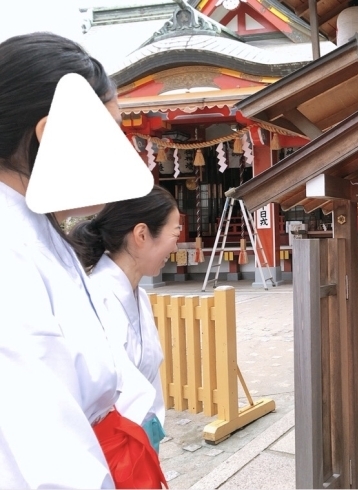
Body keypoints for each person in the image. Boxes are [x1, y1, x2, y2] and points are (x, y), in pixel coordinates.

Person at [0, 32, 166, 488]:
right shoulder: (9, 254)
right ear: (49, 134)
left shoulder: (33, 227)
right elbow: (49, 452)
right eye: (109, 130)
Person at [70, 186, 180, 453]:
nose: (176, 245)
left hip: (142, 440)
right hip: (110, 447)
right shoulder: (95, 298)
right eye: (174, 233)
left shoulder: (139, 296)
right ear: (141, 234)